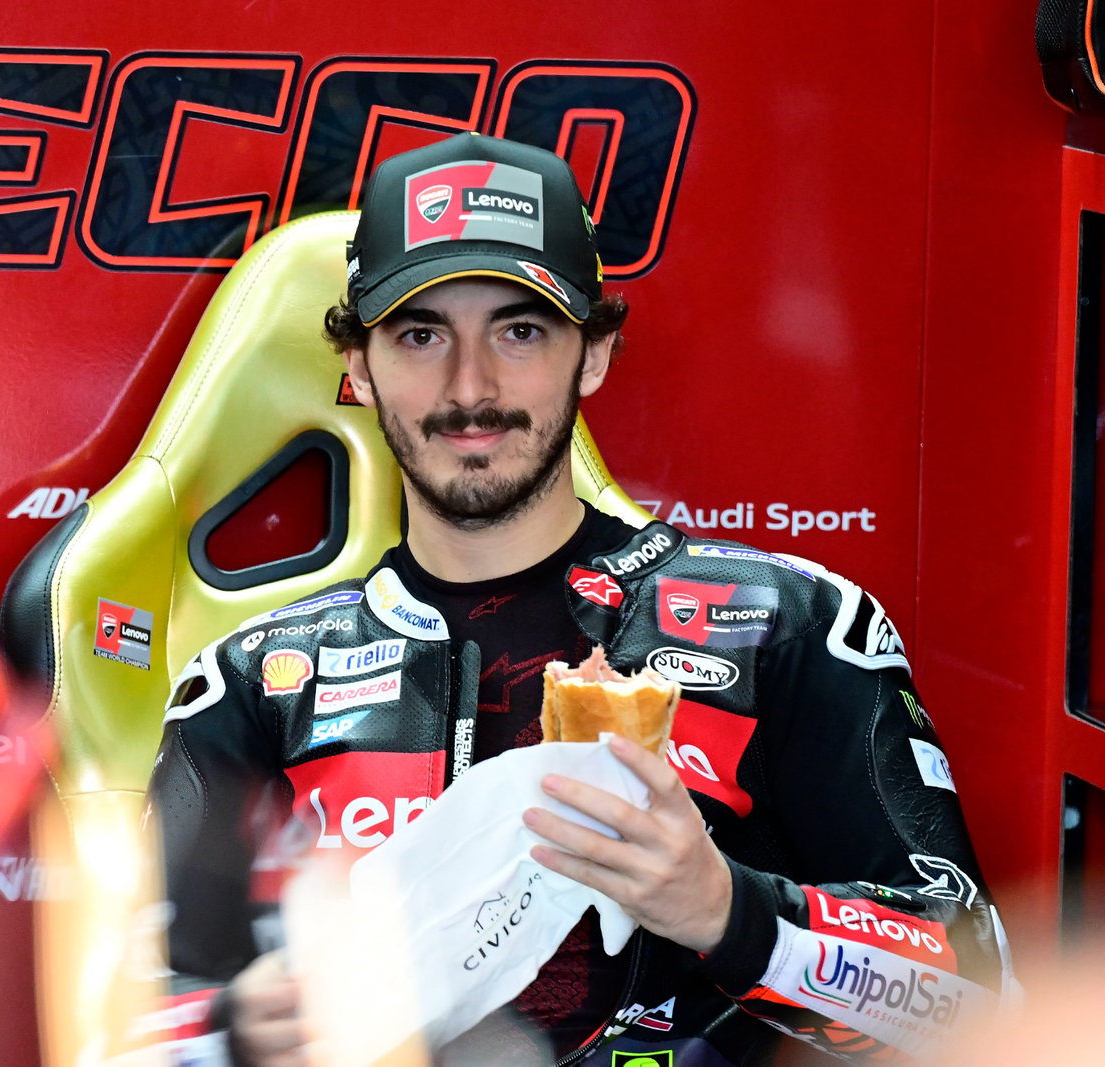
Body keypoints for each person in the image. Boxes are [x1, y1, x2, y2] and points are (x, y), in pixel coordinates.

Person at [140, 133, 1013, 1065]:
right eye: (419, 333)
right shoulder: (255, 684)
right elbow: (122, 1023)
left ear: (593, 353)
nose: (469, 387)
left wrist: (730, 911)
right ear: (357, 366)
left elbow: (982, 1001)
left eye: (519, 331)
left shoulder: (788, 629)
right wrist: (235, 1031)